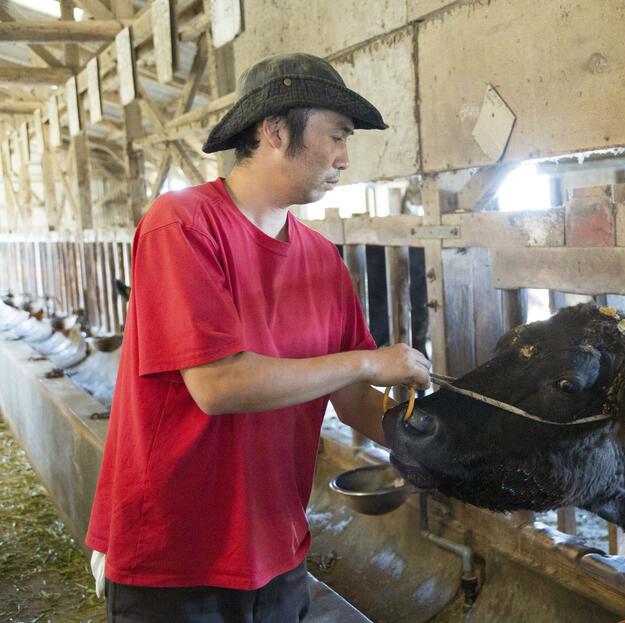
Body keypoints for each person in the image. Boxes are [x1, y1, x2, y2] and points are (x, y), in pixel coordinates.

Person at [85, 52, 430, 622]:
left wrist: (442, 447)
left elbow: (351, 404)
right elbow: (219, 385)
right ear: (274, 130)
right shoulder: (182, 225)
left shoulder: (321, 259)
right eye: (337, 136)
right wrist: (368, 364)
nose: (346, 157)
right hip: (176, 557)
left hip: (278, 551)